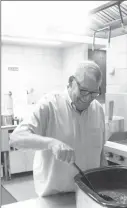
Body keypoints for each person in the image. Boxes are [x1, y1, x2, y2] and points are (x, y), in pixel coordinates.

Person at [10, 60, 108, 197]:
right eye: (83, 91)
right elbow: (16, 138)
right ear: (71, 82)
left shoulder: (98, 109)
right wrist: (51, 143)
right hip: (54, 198)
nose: (87, 99)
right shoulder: (50, 105)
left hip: (90, 196)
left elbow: (101, 153)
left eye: (93, 93)